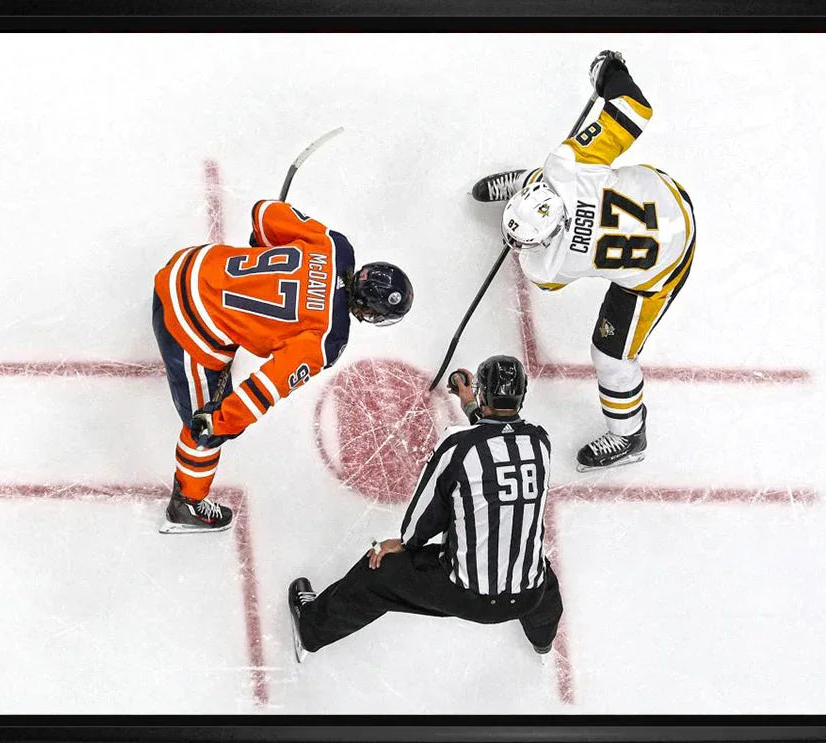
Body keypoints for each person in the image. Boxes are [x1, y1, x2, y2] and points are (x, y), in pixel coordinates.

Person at [471, 50, 696, 472]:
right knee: (575, 167)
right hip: (667, 198)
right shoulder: (568, 166)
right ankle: (527, 181)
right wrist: (609, 71)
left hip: (663, 266)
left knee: (612, 357)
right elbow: (635, 107)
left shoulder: (544, 267)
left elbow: (551, 273)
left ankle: (630, 437)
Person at [152, 199, 413, 533]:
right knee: (204, 430)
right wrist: (222, 422)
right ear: (370, 310)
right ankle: (185, 504)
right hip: (184, 322)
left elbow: (264, 213)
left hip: (187, 264)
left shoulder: (337, 246)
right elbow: (265, 387)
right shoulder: (328, 337)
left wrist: (266, 243)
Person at [287, 355, 563, 661]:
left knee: (376, 573)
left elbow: (425, 518)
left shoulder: (457, 446)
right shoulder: (541, 442)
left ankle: (310, 630)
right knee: (540, 575)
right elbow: (499, 439)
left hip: (466, 595)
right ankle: (543, 642)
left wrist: (405, 543)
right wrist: (471, 405)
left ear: (483, 394)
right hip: (528, 596)